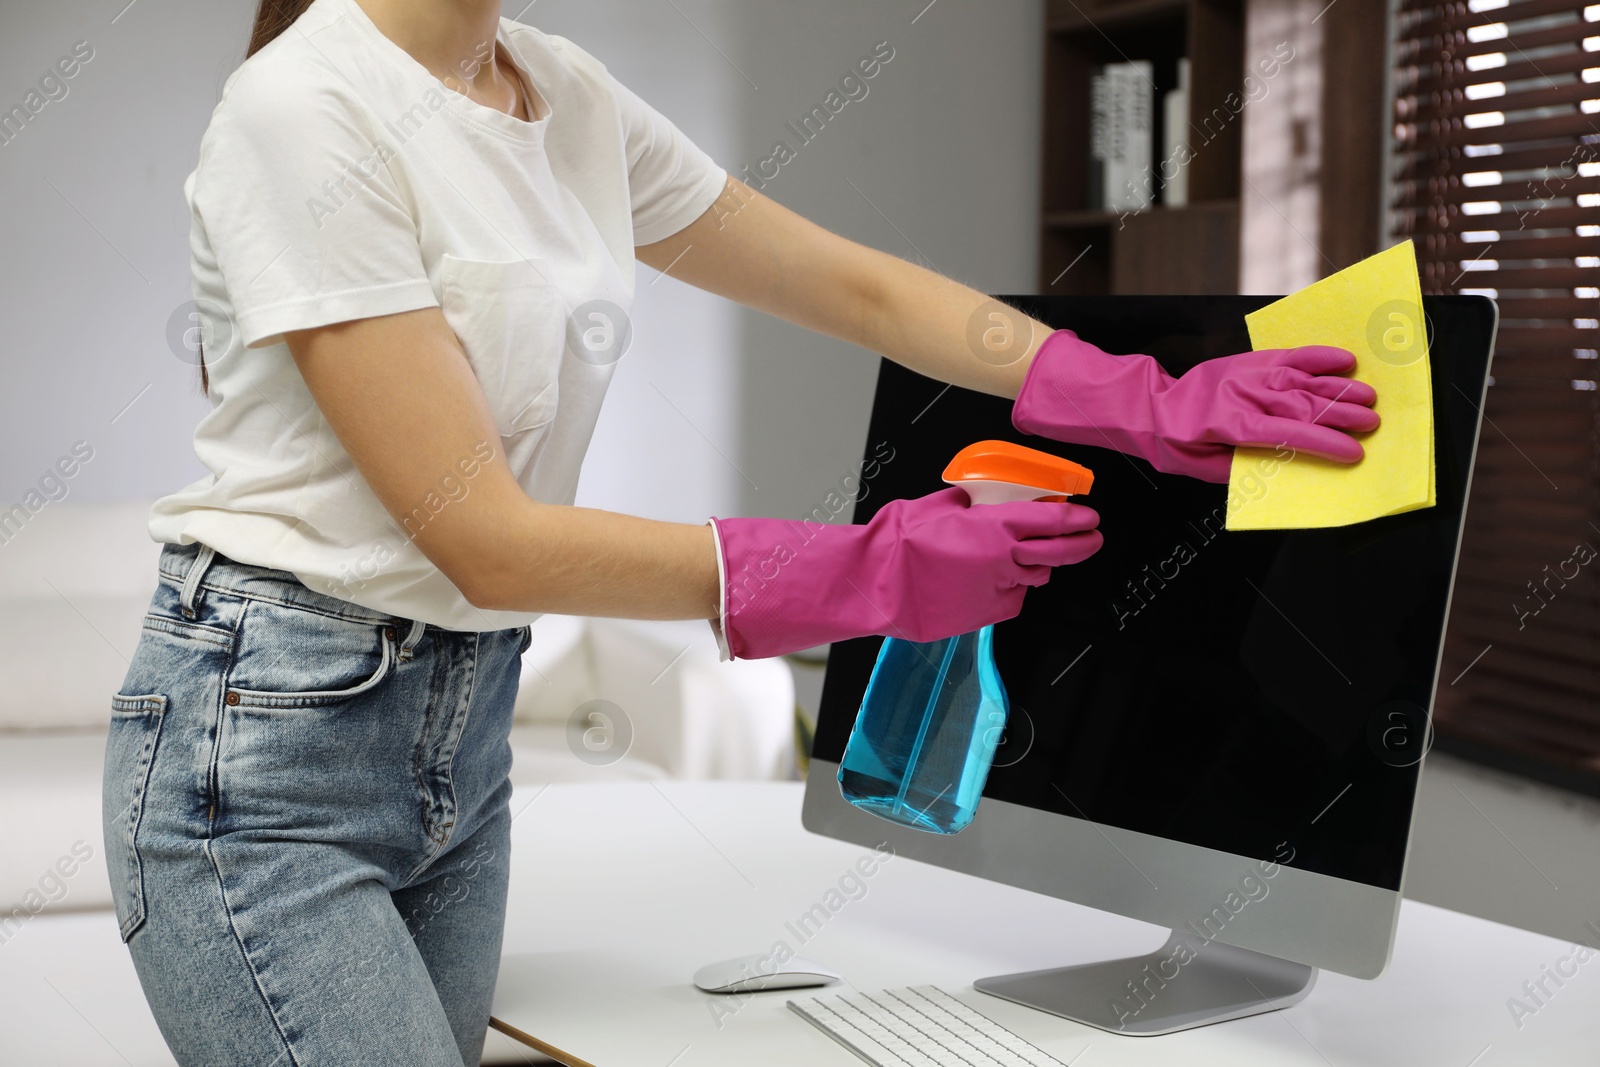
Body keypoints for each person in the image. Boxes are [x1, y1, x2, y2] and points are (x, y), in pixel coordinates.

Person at [101, 0, 1381, 1063]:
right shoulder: (301, 108)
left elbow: (845, 280)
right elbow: (481, 537)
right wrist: (870, 570)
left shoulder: (560, 90)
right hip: (268, 746)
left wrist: (1131, 394)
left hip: (460, 732)